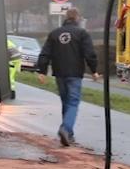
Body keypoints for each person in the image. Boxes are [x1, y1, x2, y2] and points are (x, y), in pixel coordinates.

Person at [37, 8, 99, 146]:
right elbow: (89, 53)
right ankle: (65, 128)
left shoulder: (54, 33)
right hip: (75, 74)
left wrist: (42, 71)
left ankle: (68, 134)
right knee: (73, 102)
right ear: (77, 18)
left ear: (66, 17)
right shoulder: (82, 33)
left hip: (59, 73)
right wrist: (94, 70)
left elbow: (45, 53)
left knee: (66, 102)